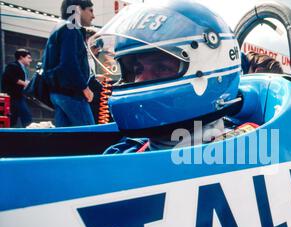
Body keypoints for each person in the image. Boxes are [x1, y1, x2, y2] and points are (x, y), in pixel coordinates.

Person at [91, 1, 245, 152]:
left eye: (161, 67)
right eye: (137, 71)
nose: (140, 80)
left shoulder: (244, 151)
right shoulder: (124, 152)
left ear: (210, 69)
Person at [42, 0, 96, 127]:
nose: (93, 16)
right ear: (78, 9)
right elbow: (69, 63)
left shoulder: (59, 28)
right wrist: (84, 87)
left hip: (57, 92)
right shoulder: (70, 29)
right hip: (71, 94)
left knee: (65, 138)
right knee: (90, 136)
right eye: (90, 10)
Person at [1, 49, 33, 127]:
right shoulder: (12, 66)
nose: (31, 60)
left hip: (18, 96)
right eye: (28, 57)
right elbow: (13, 78)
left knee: (12, 119)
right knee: (26, 117)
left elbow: (21, 80)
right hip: (13, 96)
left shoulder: (22, 68)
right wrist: (26, 84)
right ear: (21, 57)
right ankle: (31, 135)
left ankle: (9, 135)